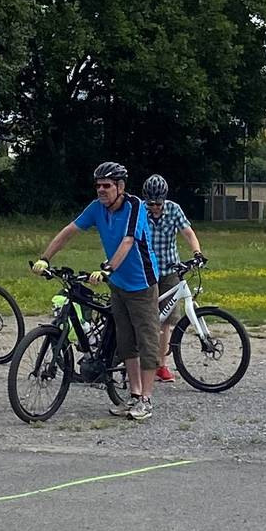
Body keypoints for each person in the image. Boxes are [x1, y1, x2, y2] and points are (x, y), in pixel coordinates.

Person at [35, 161, 162, 420]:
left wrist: (107, 268)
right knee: (125, 342)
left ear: (120, 187)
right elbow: (70, 230)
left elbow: (128, 241)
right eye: (98, 186)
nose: (101, 190)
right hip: (118, 284)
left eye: (107, 186)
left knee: (146, 340)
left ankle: (146, 400)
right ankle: (134, 395)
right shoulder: (96, 208)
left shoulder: (135, 206)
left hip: (141, 283)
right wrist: (45, 258)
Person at [140, 174, 205, 382]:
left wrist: (196, 252)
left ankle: (161, 365)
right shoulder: (140, 211)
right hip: (146, 271)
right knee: (145, 319)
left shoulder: (174, 210)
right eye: (151, 203)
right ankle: (139, 362)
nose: (154, 207)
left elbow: (188, 233)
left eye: (158, 203)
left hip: (169, 270)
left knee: (166, 320)